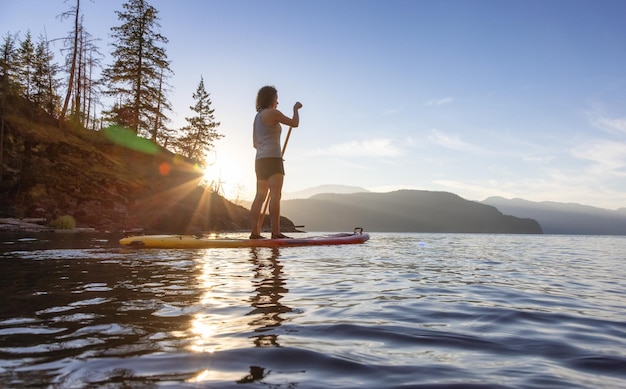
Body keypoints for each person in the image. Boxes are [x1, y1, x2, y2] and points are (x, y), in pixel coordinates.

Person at [249, 86, 302, 239]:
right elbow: (294, 123)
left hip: (260, 160)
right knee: (275, 196)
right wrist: (295, 108)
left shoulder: (257, 117)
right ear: (271, 98)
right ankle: (276, 233)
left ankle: (254, 233)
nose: (277, 102)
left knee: (260, 196)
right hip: (273, 160)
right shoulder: (273, 113)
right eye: (276, 98)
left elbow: (255, 143)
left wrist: (268, 151)